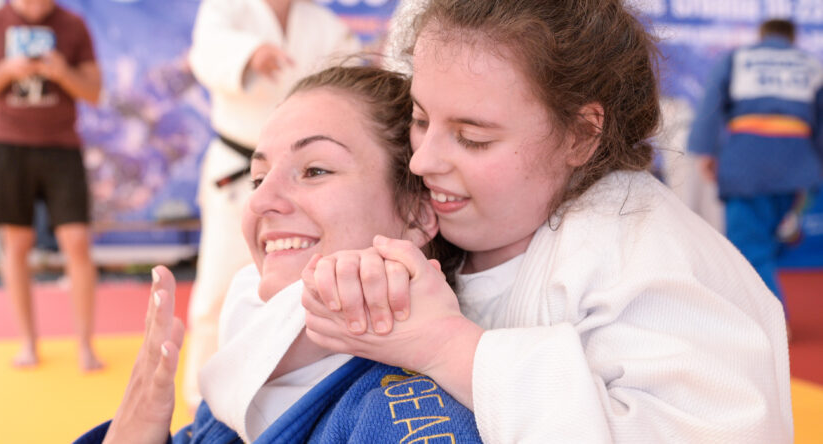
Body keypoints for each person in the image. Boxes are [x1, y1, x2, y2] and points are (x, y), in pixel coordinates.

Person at [300, 0, 794, 442]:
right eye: (421, 119)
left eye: (472, 137)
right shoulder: (431, 223)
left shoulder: (648, 263)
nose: (422, 161)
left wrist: (449, 347)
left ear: (581, 135)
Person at [75, 66, 480, 444]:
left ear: (416, 213)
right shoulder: (246, 379)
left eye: (315, 170)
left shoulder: (408, 420)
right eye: (258, 178)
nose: (260, 201)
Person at [183, 0, 361, 411]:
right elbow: (206, 52)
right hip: (241, 169)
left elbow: (349, 79)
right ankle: (200, 399)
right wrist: (249, 55)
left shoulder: (322, 23)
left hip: (307, 177)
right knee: (220, 284)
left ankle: (278, 397)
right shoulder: (225, 10)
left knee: (304, 285)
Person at [0, 0, 103, 371]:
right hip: (10, 147)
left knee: (76, 241)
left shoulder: (73, 25)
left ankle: (85, 345)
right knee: (17, 244)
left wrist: (61, 72)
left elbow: (93, 91)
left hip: (62, 147)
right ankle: (27, 342)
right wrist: (7, 69)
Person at [687, 18, 823, 317]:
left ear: (761, 36)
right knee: (768, 242)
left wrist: (706, 152)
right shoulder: (811, 65)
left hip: (746, 167)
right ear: (792, 37)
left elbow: (710, 105)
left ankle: (771, 319)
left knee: (749, 246)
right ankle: (765, 312)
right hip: (796, 170)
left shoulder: (738, 59)